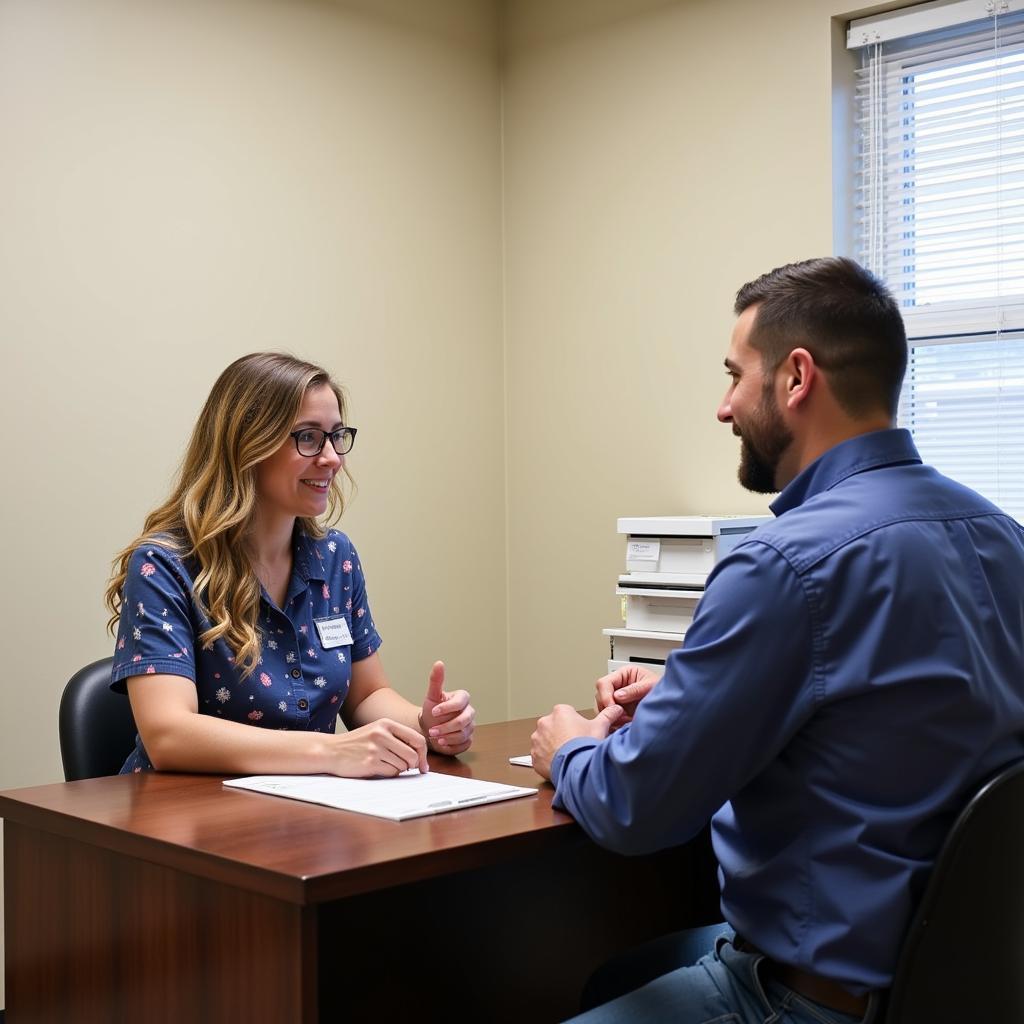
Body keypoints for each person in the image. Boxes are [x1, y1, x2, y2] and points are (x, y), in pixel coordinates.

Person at [531, 257, 1024, 1024]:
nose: (725, 407)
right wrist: (703, 698)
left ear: (796, 379)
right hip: (962, 988)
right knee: (618, 977)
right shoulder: (1006, 538)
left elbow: (636, 807)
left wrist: (566, 749)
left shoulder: (786, 563)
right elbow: (899, 720)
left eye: (735, 375)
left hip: (808, 1001)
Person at [106, 352, 474, 777]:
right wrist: (330, 752)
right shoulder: (164, 564)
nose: (333, 458)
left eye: (337, 436)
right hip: (186, 819)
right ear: (247, 445)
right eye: (309, 438)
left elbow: (367, 696)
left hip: (309, 816)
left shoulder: (336, 557)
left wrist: (426, 726)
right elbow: (169, 735)